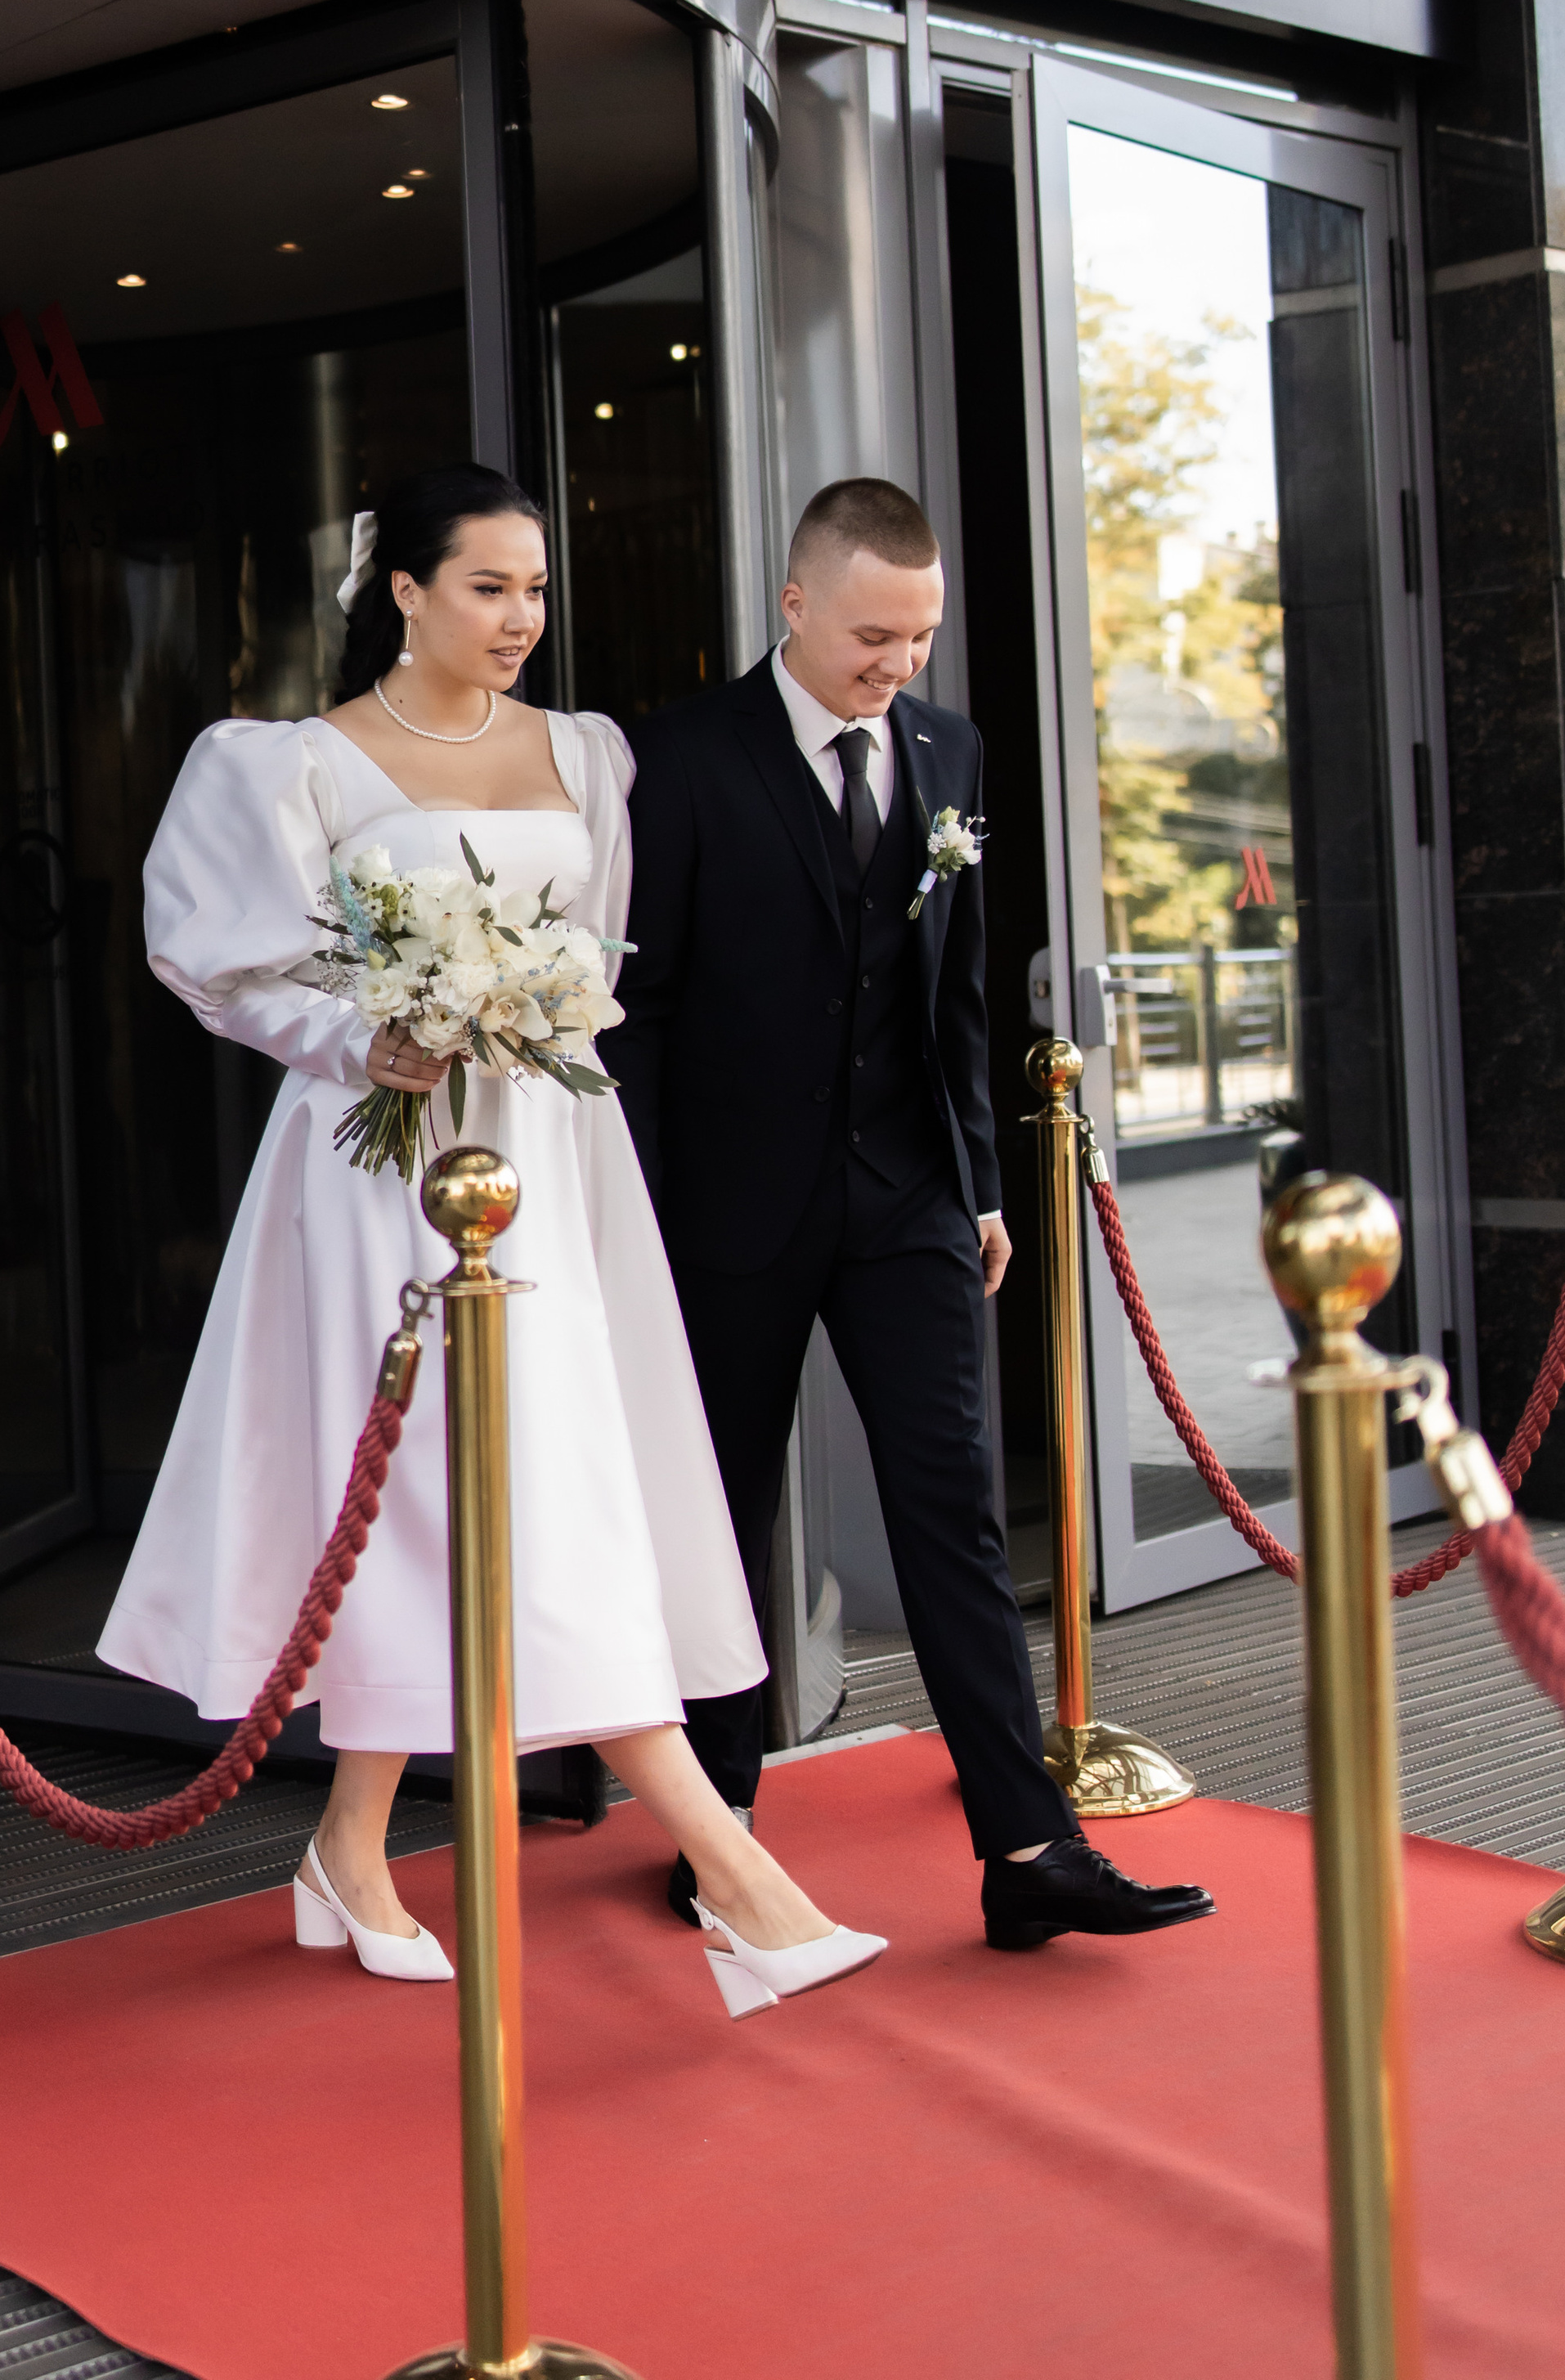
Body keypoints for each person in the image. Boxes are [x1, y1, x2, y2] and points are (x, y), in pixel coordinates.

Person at [99, 462, 883, 2012]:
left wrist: (536, 1013)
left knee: (521, 1482)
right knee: (430, 1490)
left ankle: (346, 1847)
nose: (523, 618)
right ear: (403, 589)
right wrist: (357, 1036)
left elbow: (602, 963)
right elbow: (210, 959)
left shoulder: (589, 756)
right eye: (488, 587)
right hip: (380, 1179)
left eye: (535, 589)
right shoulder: (292, 766)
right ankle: (737, 1878)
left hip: (551, 1160)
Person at [599, 478, 1214, 1953]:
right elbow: (641, 1021)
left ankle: (1027, 1847)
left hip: (911, 1201)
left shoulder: (949, 748)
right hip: (725, 1218)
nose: (899, 665)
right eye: (875, 633)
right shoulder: (679, 759)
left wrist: (981, 1185)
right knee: (725, 1517)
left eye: (921, 637)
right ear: (797, 603)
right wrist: (653, 1225)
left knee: (951, 1512)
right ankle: (722, 1830)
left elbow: (959, 993)